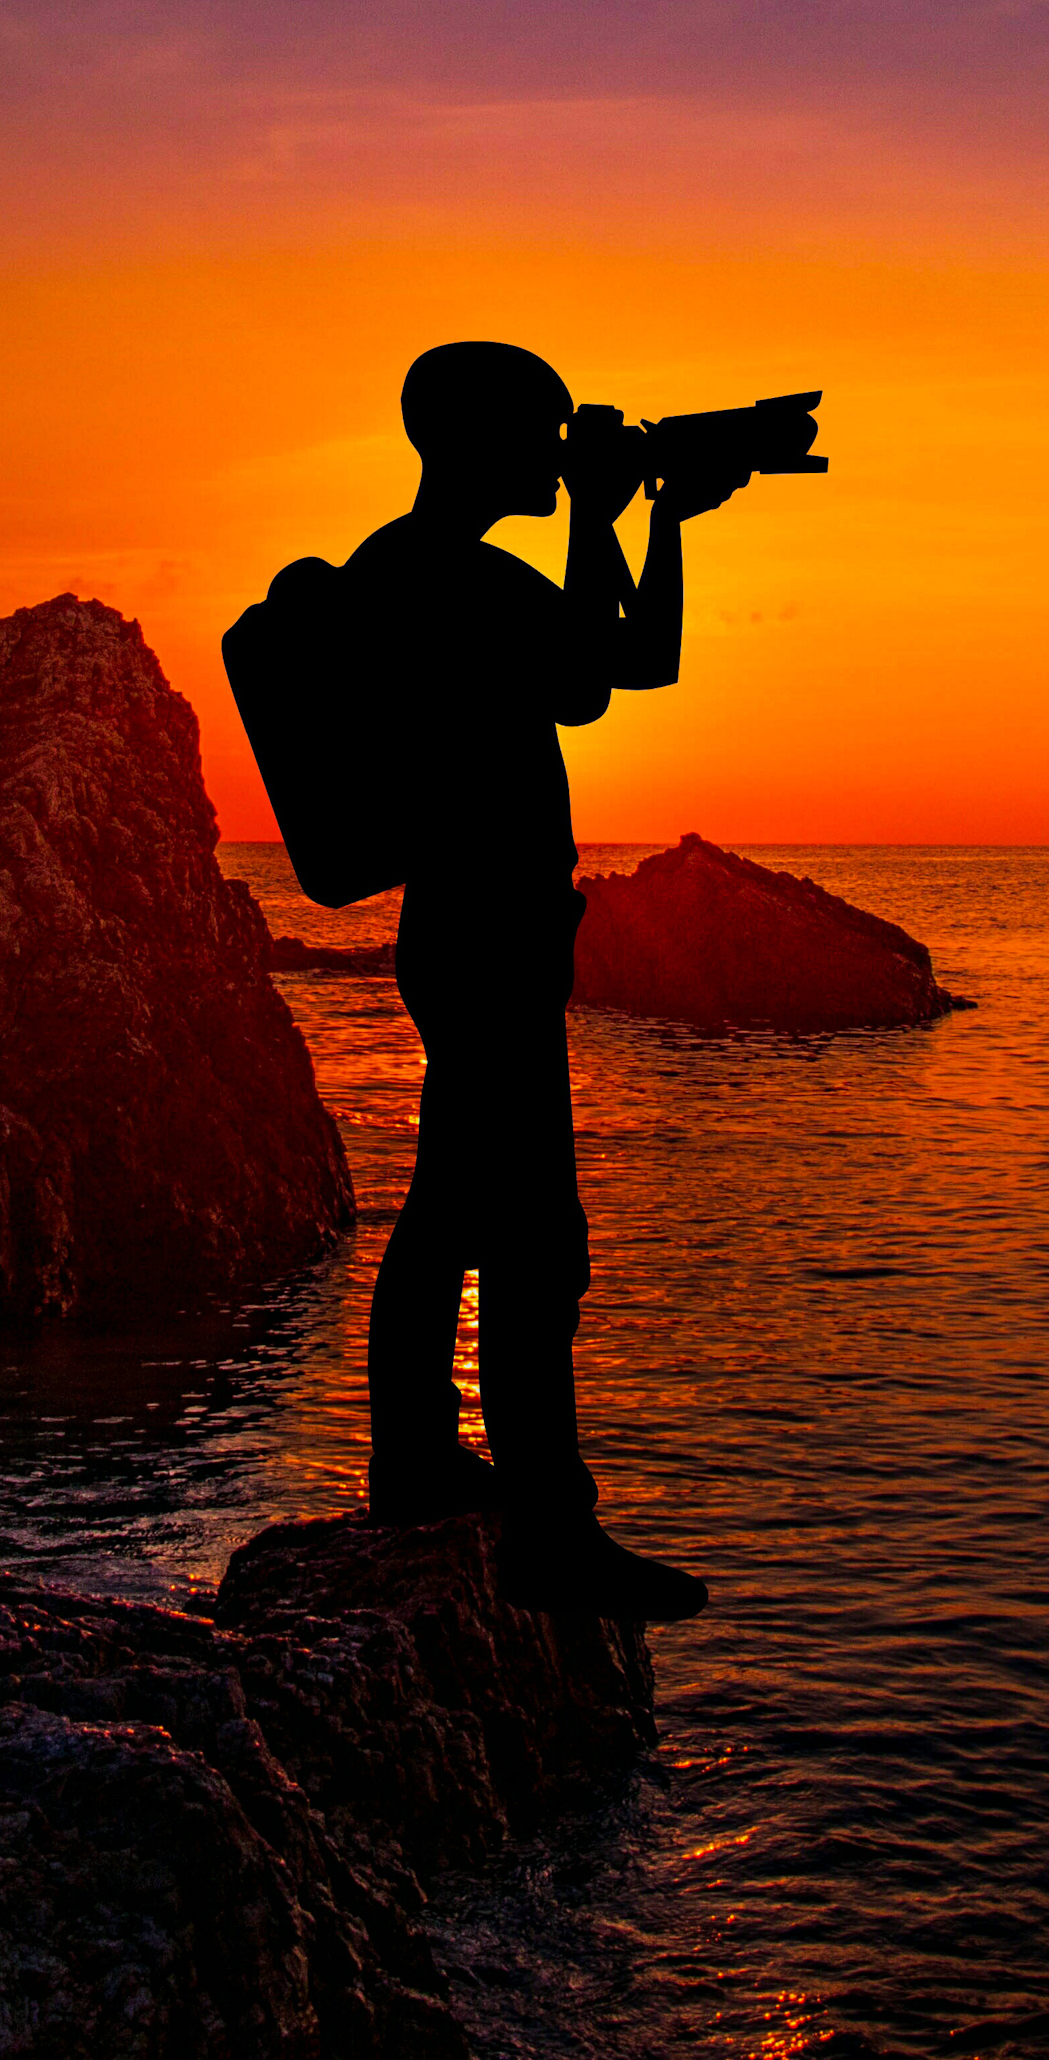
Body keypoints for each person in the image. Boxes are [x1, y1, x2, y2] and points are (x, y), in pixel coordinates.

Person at [349, 340, 746, 1624]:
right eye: (548, 430)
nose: (562, 446)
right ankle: (549, 1532)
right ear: (473, 441)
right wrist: (596, 512)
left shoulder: (432, 570)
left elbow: (638, 664)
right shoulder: (434, 578)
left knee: (453, 1208)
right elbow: (587, 674)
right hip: (484, 933)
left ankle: (416, 1465)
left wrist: (662, 525)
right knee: (532, 1236)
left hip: (482, 931)